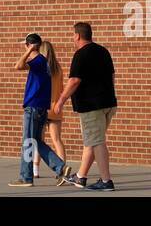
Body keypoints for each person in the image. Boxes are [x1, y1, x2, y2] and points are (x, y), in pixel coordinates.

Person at [52, 22, 117, 191]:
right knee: (92, 141)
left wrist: (60, 101)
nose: (73, 38)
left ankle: (106, 181)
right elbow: (112, 77)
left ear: (78, 36)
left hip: (91, 106)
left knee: (97, 141)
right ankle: (80, 177)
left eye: (73, 35)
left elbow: (74, 80)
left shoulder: (81, 54)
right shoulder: (103, 51)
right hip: (108, 103)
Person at [9, 33, 69, 187]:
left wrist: (29, 51)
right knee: (36, 141)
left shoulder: (38, 60)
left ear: (29, 45)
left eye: (25, 44)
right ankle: (60, 167)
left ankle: (26, 177)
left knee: (28, 142)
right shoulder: (43, 62)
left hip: (34, 107)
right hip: (41, 107)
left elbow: (17, 66)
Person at [36, 39, 68, 180]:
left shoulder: (40, 67)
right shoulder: (58, 68)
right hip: (55, 108)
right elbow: (61, 89)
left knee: (39, 140)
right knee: (57, 140)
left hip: (42, 107)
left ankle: (35, 170)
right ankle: (62, 169)